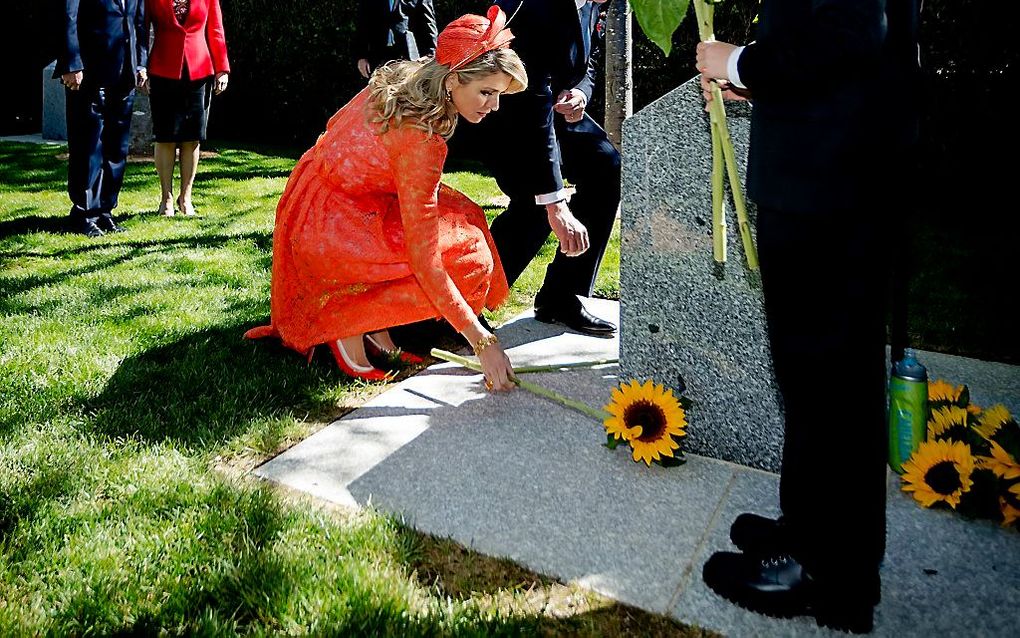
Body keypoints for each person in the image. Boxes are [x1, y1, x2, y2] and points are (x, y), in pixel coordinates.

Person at [695, 0, 921, 633]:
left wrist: (740, 60)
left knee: (830, 380)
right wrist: (759, 77)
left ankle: (829, 575)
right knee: (813, 374)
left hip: (831, 184)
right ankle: (806, 527)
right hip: (831, 171)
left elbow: (848, 38)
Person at [246, 7, 527, 392]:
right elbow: (423, 256)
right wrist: (482, 341)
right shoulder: (420, 142)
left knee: (466, 216)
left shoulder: (403, 78)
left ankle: (374, 327)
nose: (493, 106)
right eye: (487, 92)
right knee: (468, 255)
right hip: (331, 225)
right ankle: (347, 323)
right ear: (452, 80)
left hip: (310, 197)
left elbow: (336, 128)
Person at [463, 0, 619, 337]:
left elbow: (587, 64)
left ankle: (561, 295)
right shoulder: (536, 7)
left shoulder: (592, 5)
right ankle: (464, 305)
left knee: (606, 166)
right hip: (509, 114)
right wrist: (555, 201)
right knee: (534, 206)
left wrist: (580, 93)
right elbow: (531, 95)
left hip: (556, 112)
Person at [55, 0, 148, 237]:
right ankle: (84, 213)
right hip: (89, 74)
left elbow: (138, 22)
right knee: (88, 145)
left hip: (125, 73)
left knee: (117, 147)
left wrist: (141, 64)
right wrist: (71, 63)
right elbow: (68, 16)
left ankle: (105, 211)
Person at [143, 0, 230, 217]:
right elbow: (141, 30)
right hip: (162, 69)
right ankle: (166, 199)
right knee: (165, 137)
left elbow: (216, 30)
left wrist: (222, 69)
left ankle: (186, 198)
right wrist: (141, 67)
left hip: (199, 71)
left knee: (192, 137)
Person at [355, 0, 437, 79]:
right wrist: (361, 56)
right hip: (378, 55)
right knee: (379, 90)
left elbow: (428, 23)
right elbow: (362, 24)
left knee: (407, 89)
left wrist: (431, 54)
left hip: (408, 54)